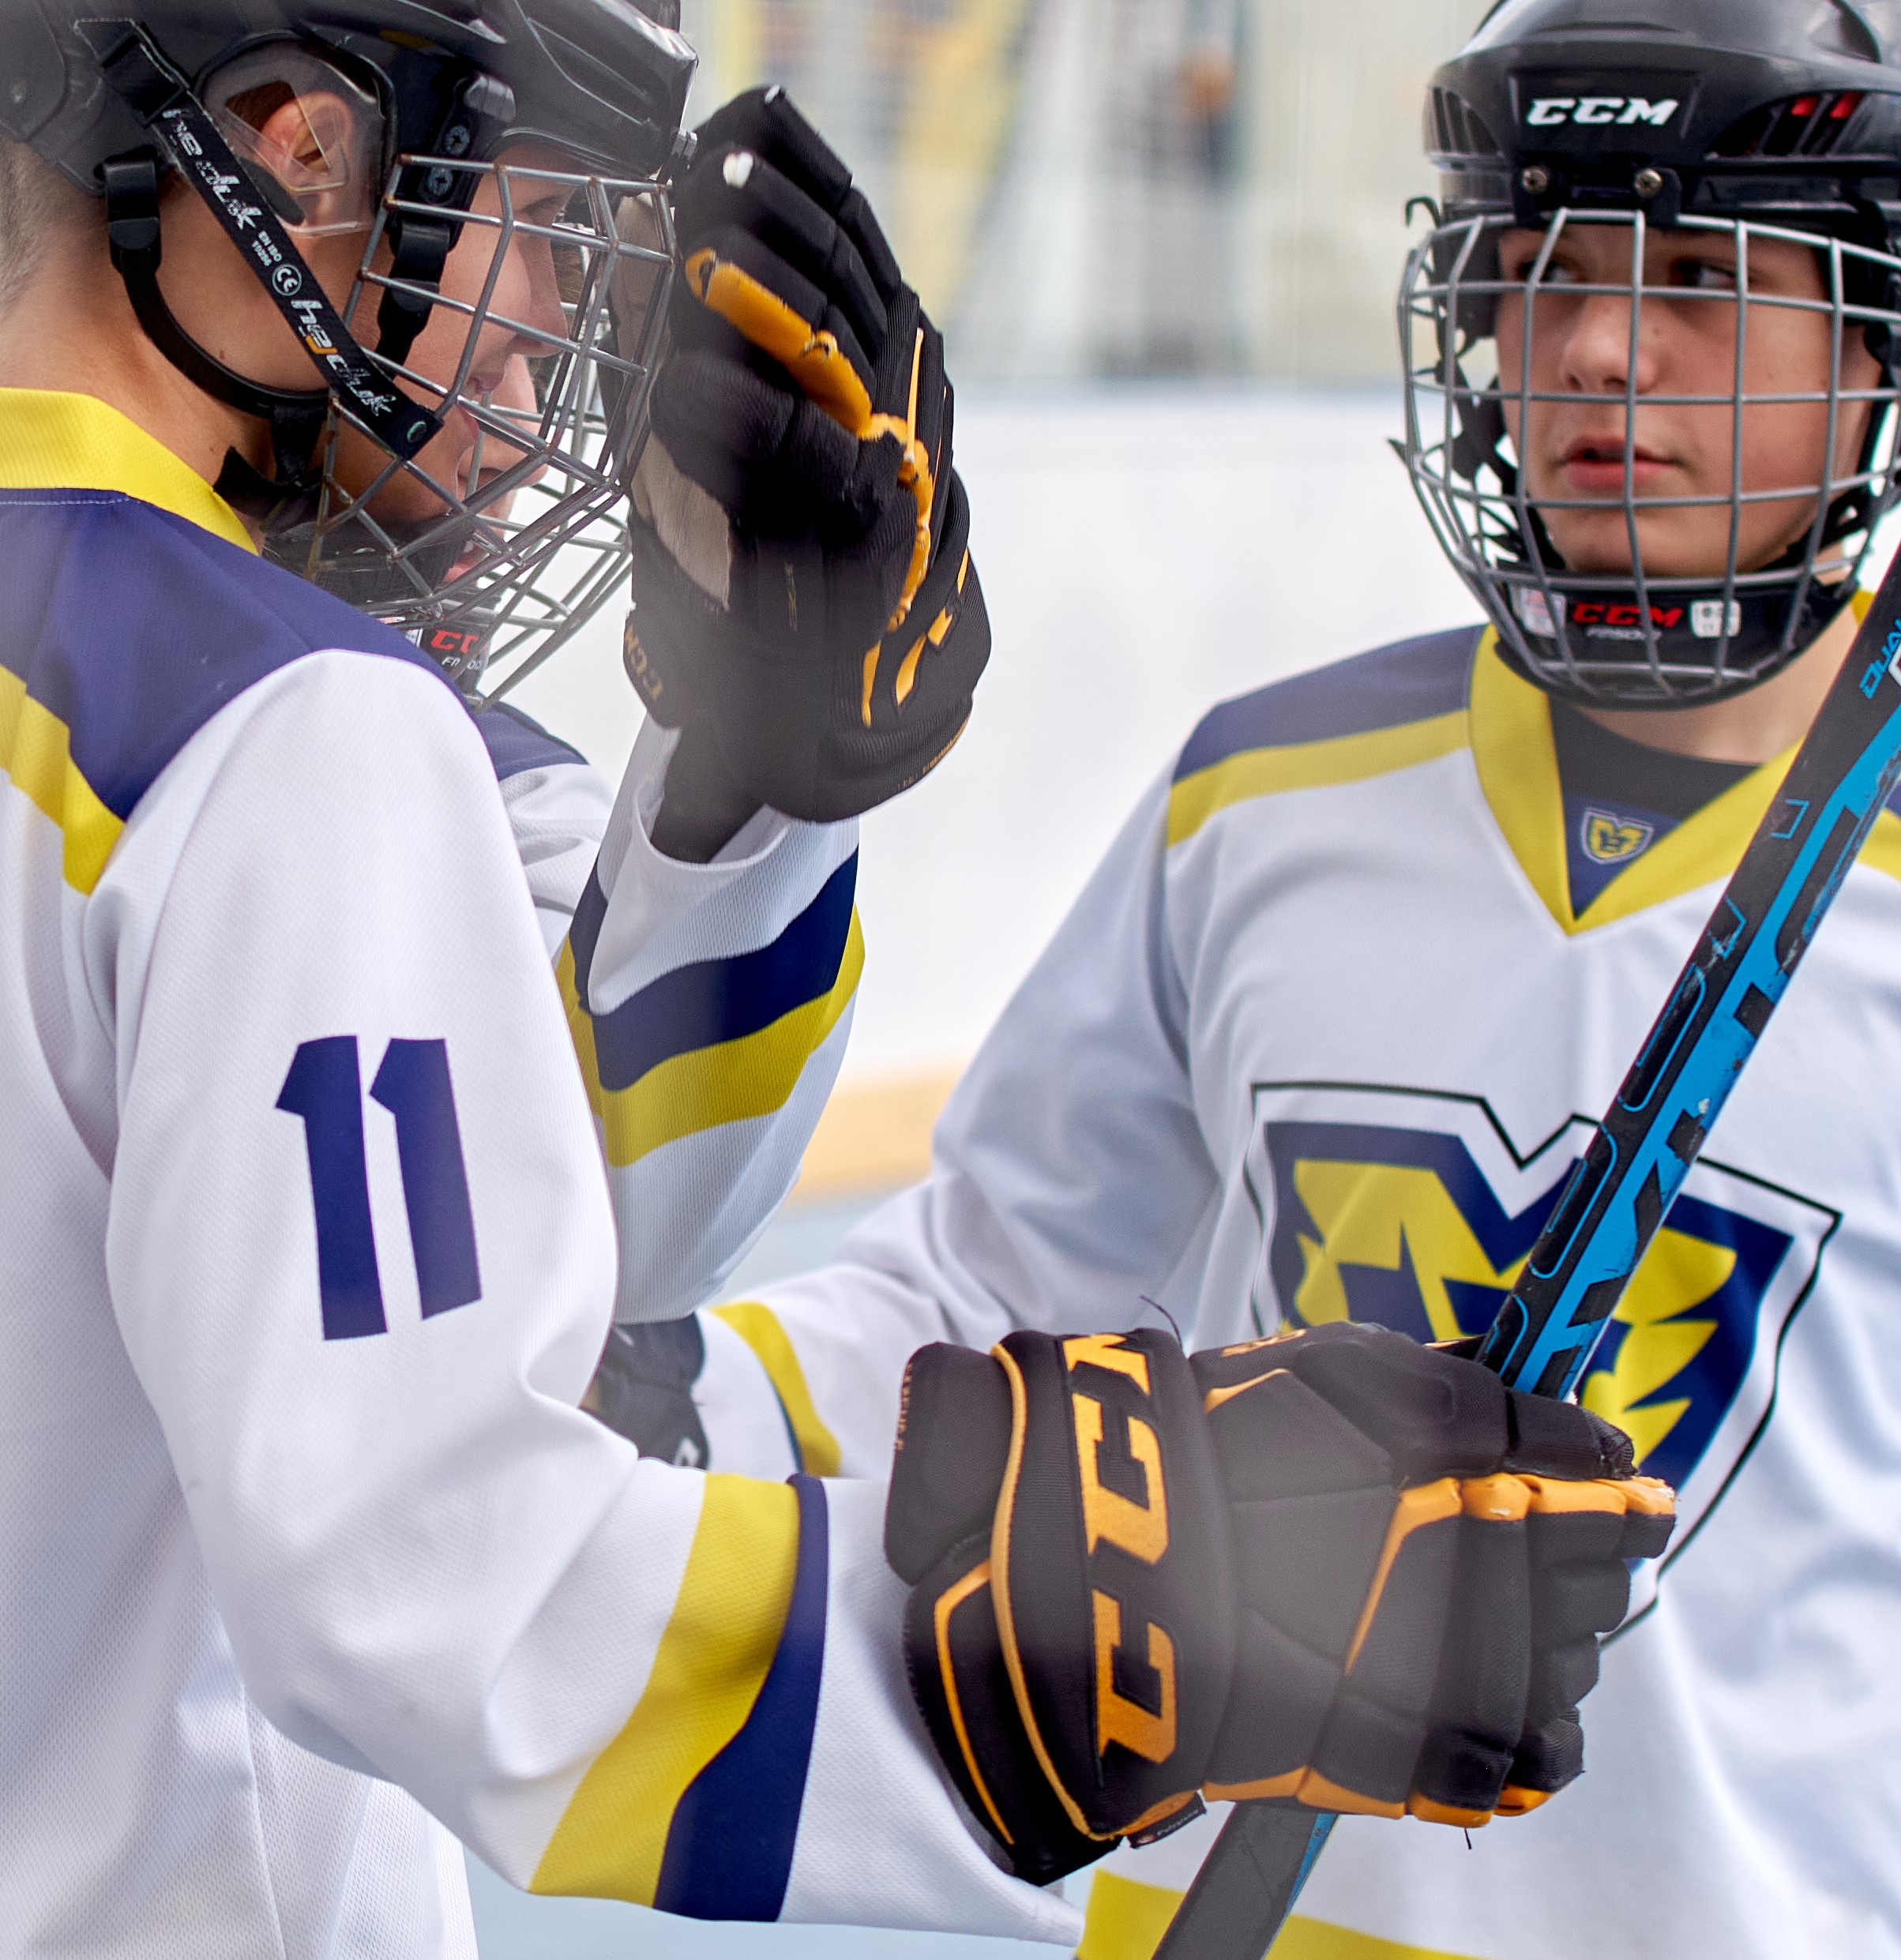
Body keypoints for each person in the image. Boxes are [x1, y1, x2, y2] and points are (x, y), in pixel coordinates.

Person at [619, 2, 1901, 1956]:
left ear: (1899, 346)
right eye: (1553, 265)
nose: (1597, 346)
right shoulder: (1258, 802)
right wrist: (676, 1387)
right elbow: (987, 1291)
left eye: (1698, 274)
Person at [0, 0, 1657, 1947]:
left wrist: (742, 804)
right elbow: (431, 1577)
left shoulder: (188, 707)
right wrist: (1125, 1653)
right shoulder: (282, 728)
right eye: (531, 224)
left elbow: (531, 1227)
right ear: (300, 158)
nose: (554, 360)